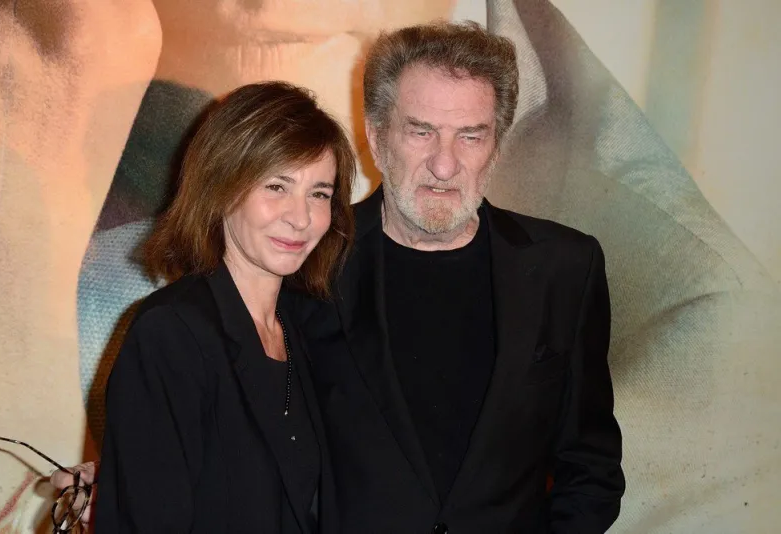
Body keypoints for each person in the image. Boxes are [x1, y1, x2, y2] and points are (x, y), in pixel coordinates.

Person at [55, 21, 624, 533]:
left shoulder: (564, 270)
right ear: (377, 136)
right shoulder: (309, 268)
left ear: (494, 146)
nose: (445, 163)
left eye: (470, 135)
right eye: (421, 131)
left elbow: (591, 469)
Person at [88, 81, 355, 533]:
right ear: (222, 186)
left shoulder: (302, 329)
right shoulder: (171, 334)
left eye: (320, 193)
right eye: (277, 186)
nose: (301, 217)